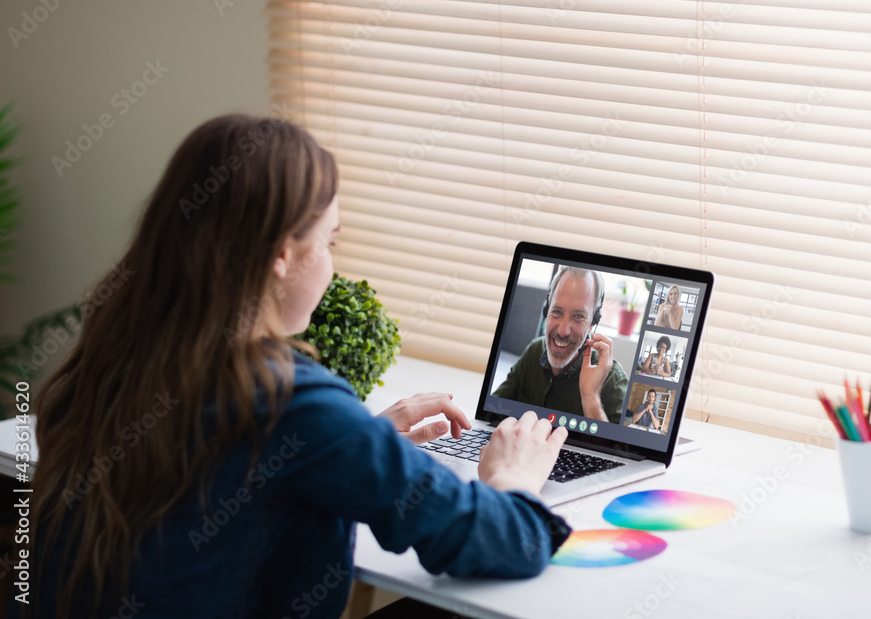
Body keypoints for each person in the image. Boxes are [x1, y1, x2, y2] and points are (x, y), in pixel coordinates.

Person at [22, 114, 571, 619]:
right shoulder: (286, 398)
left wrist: (358, 442)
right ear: (282, 255)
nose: (332, 263)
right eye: (329, 241)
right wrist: (514, 477)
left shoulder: (113, 358)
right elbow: (508, 542)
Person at [492, 266, 628, 424]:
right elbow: (492, 411)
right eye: (557, 311)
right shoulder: (534, 350)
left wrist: (590, 397)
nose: (563, 331)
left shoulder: (614, 380)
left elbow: (612, 448)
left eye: (578, 316)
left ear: (593, 322)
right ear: (547, 310)